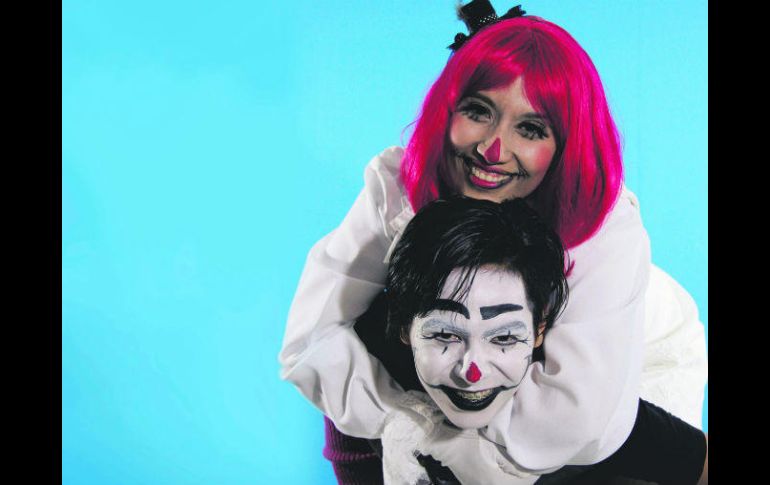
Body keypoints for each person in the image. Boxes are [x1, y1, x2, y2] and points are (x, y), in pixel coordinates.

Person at [279, 0, 707, 481]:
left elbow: (580, 422)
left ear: (565, 145)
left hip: (629, 356)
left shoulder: (603, 231)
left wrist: (447, 445)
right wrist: (403, 425)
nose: (492, 149)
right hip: (491, 337)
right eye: (478, 111)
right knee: (384, 329)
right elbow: (311, 340)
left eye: (531, 128)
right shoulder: (401, 187)